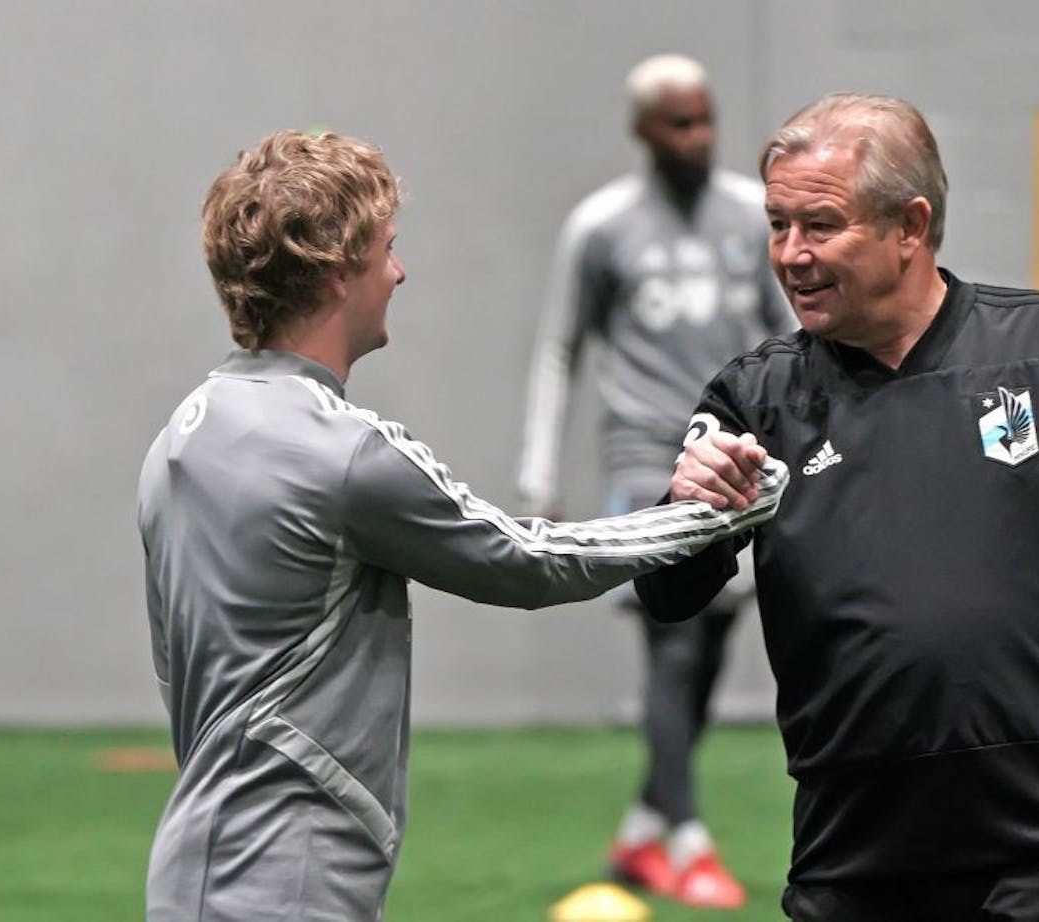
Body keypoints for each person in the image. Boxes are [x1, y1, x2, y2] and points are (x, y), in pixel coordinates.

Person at [137, 129, 786, 922]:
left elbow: (178, 669)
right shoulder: (337, 451)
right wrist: (708, 514)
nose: (399, 272)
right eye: (386, 250)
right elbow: (525, 560)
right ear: (338, 272)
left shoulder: (184, 434)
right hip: (289, 879)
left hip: (195, 868)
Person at [635, 93, 1039, 921]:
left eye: (820, 225)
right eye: (777, 225)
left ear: (909, 226)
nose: (791, 255)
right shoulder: (753, 400)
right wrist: (690, 506)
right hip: (855, 854)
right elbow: (669, 596)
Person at [516, 54, 795, 908]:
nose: (699, 137)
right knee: (673, 645)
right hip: (645, 463)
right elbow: (561, 348)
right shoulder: (601, 228)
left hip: (738, 463)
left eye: (706, 118)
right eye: (679, 123)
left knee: (709, 650)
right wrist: (538, 473)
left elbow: (789, 334)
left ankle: (642, 827)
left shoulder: (753, 216)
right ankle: (687, 840)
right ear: (642, 131)